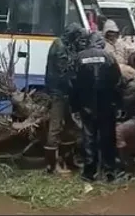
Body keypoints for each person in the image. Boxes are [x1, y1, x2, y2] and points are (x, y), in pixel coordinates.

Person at [71, 32, 122, 182]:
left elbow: (73, 83)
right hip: (107, 105)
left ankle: (89, 172)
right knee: (107, 137)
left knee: (89, 137)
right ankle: (109, 172)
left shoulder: (79, 58)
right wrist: (118, 105)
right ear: (101, 43)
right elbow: (118, 83)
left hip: (86, 105)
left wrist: (74, 107)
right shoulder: (109, 57)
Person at [44, 22, 86, 174]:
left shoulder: (65, 44)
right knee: (55, 127)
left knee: (70, 126)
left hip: (65, 92)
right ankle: (52, 166)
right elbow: (64, 72)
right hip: (59, 92)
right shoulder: (60, 45)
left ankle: (67, 160)